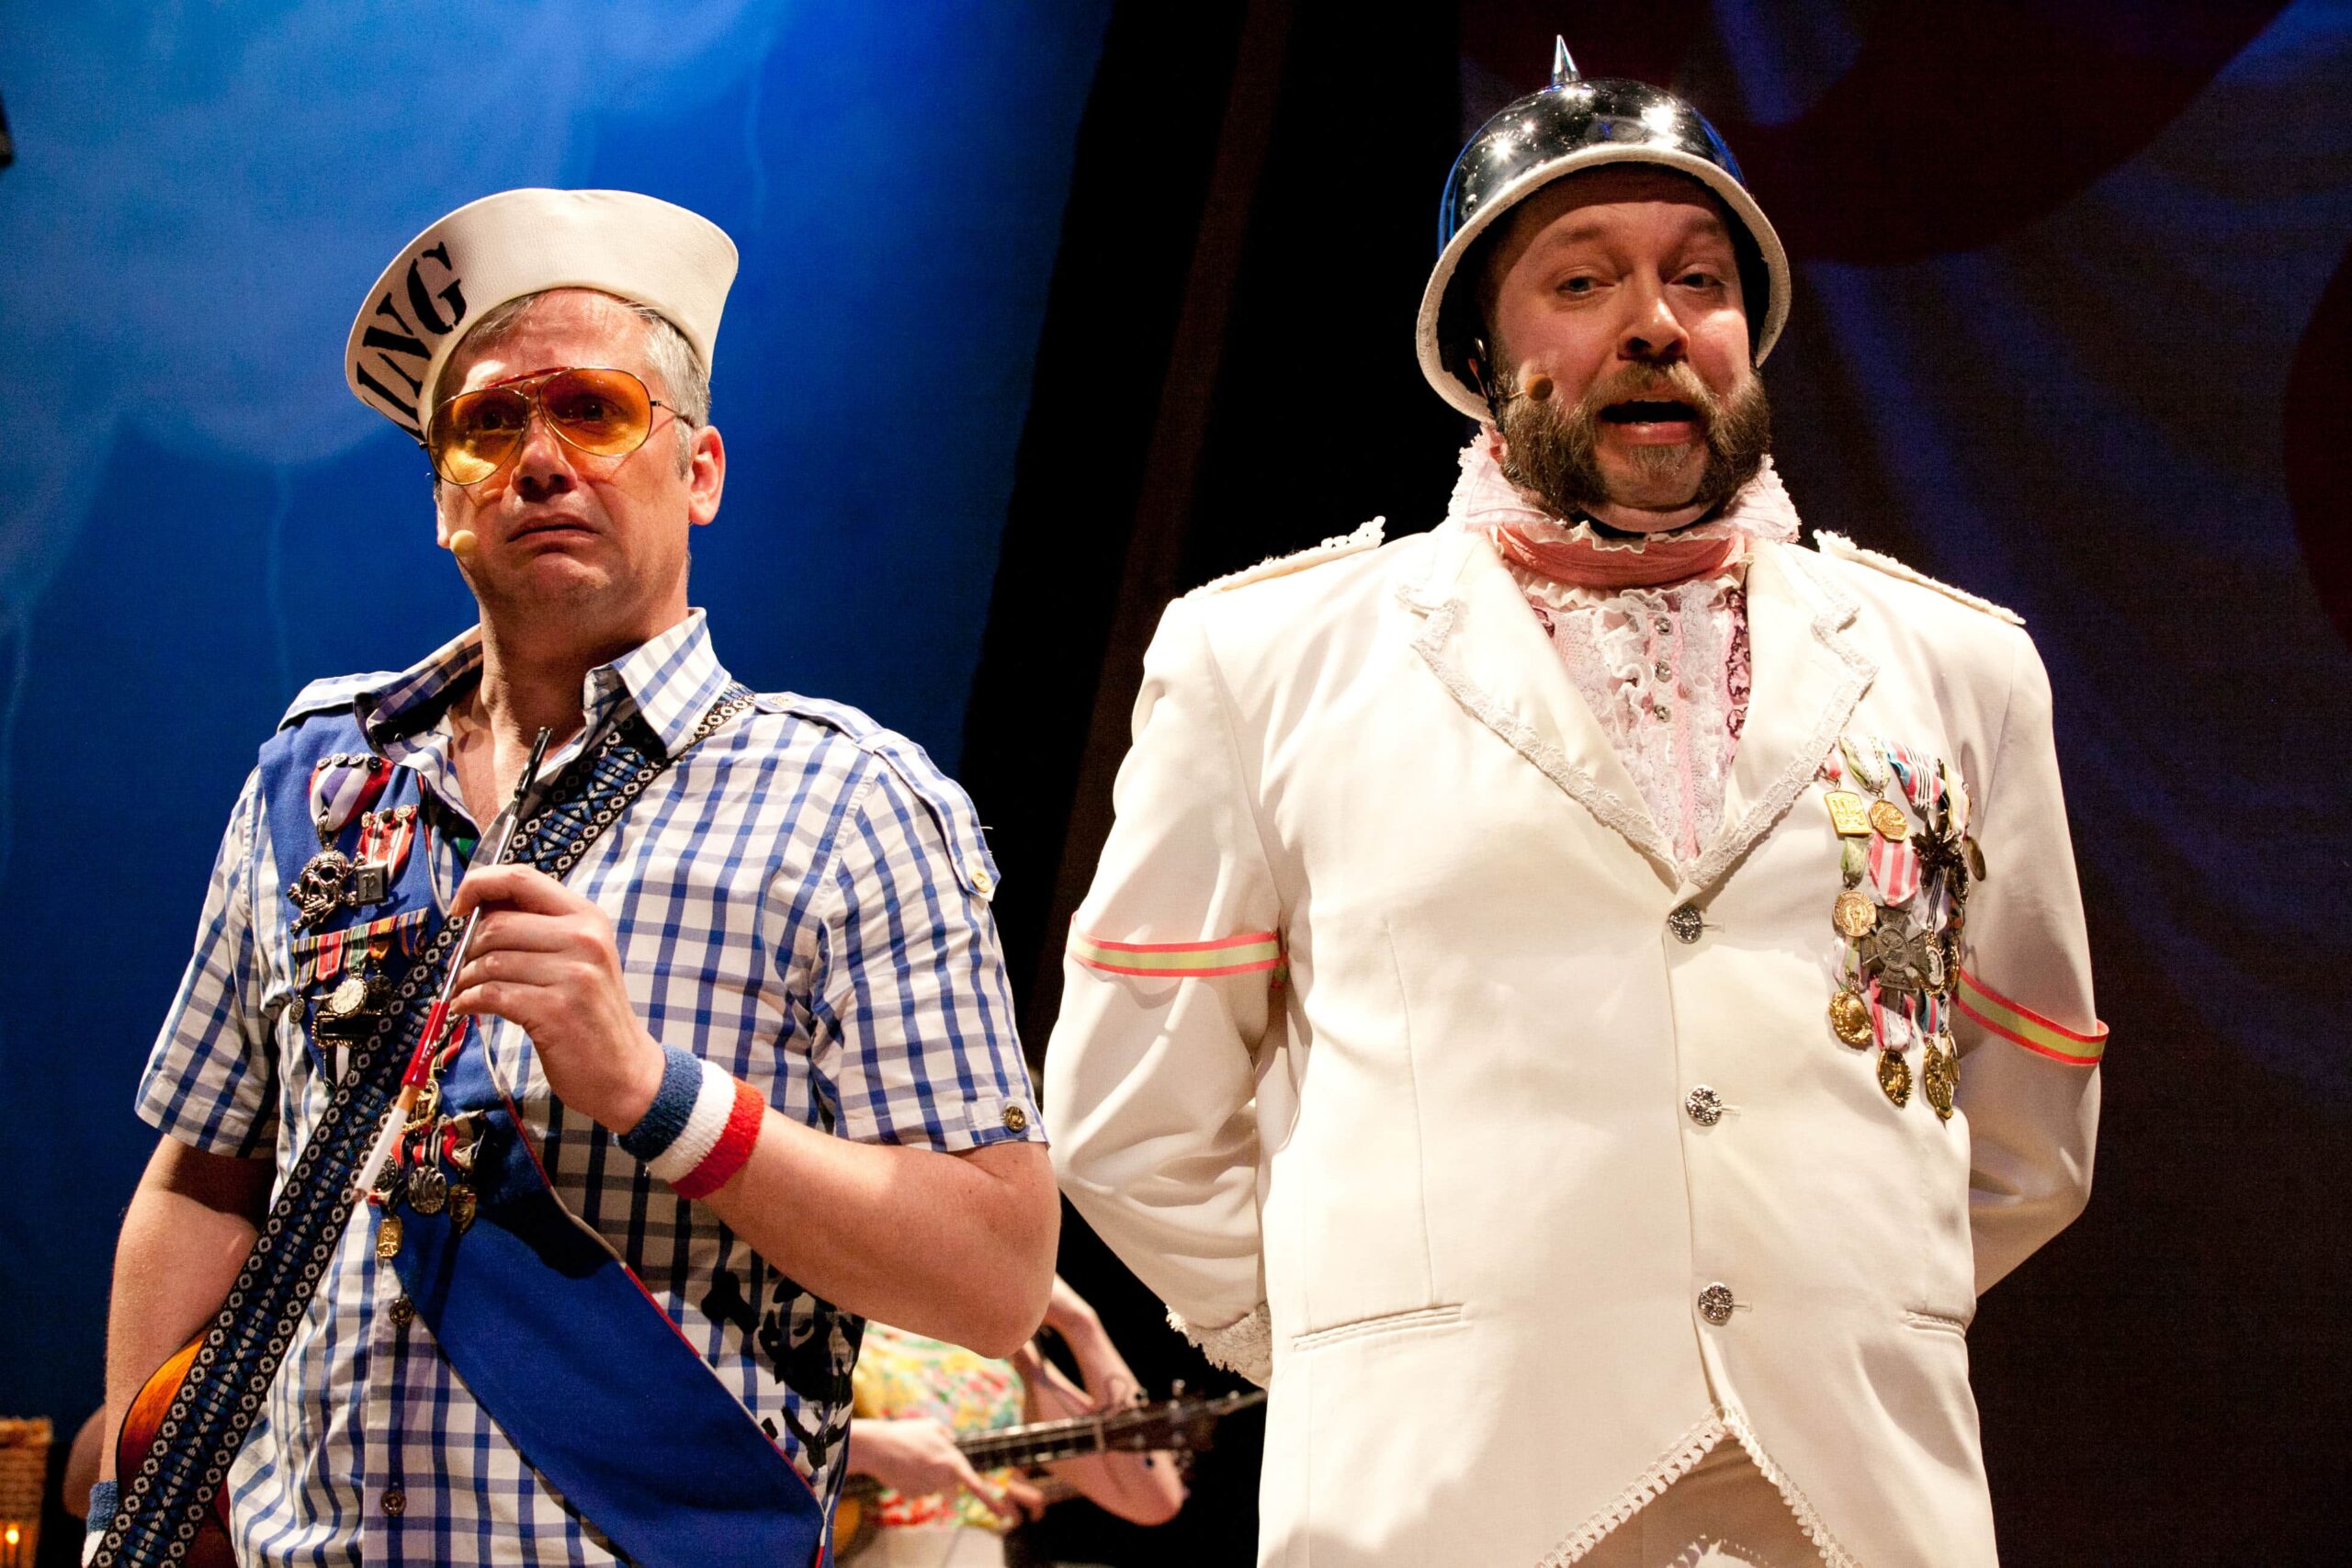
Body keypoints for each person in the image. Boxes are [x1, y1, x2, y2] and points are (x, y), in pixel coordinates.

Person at [1043, 44, 2105, 1568]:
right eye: (1584, 280)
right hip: (1438, 1510)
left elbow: (2024, 1127)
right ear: (1479, 350)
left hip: (1851, 1505)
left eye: (1698, 278)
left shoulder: (1959, 668)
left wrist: (1822, 1312)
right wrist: (1374, 1346)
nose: (1655, 322)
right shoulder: (1267, 660)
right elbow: (1133, 1116)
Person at [91, 189, 1057, 1568]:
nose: (540, 460)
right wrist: (141, 1515)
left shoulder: (853, 805)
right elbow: (205, 1182)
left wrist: (653, 1092)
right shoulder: (313, 779)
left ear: (700, 471)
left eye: (595, 412)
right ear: (444, 497)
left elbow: (996, 1276)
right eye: (490, 425)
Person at [842, 1276, 1185, 1567]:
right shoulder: (839, 1303)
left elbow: (1151, 1497)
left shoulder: (993, 1341)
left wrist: (1079, 1322)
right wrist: (868, 1446)